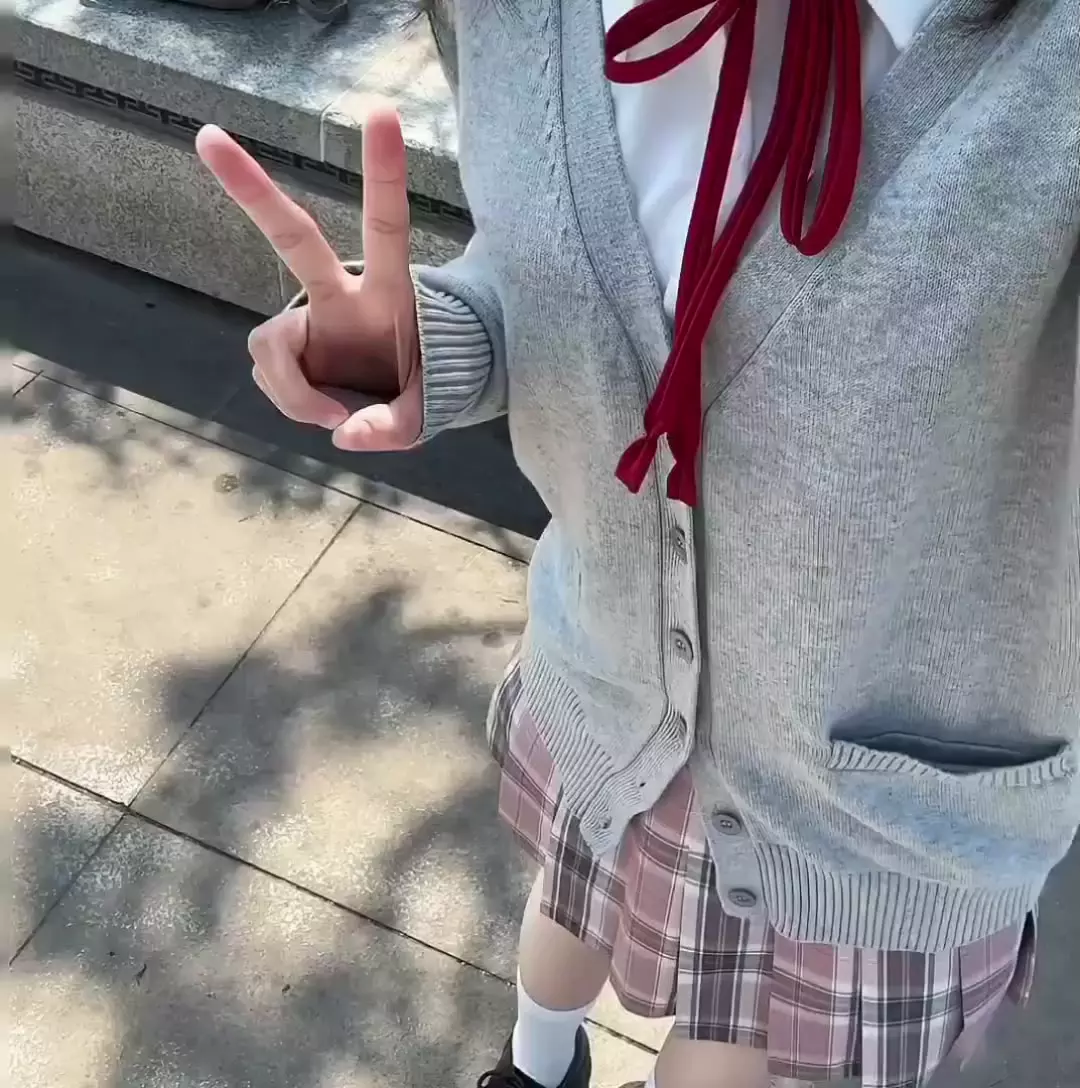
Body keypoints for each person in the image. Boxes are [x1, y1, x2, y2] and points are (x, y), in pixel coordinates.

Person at [197, 0, 1079, 1085]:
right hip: (608, 680)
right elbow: (539, 280)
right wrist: (422, 344)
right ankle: (536, 1063)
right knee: (567, 914)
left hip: (869, 808)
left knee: (731, 1054)